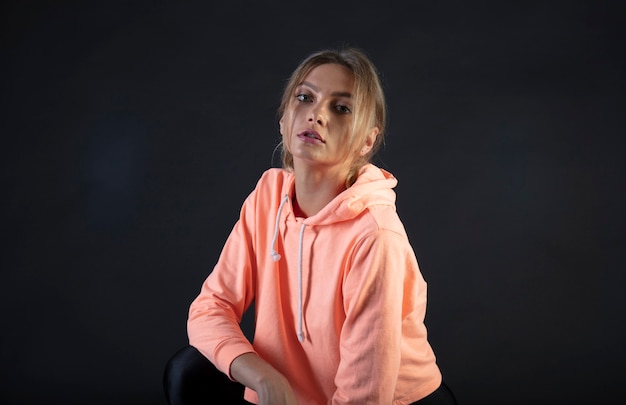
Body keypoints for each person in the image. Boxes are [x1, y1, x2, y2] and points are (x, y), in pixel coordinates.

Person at [164, 47, 458, 405]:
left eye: (341, 108)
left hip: (389, 402)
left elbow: (363, 397)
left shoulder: (375, 236)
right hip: (291, 393)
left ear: (367, 141)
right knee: (188, 371)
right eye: (305, 98)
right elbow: (210, 309)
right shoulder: (267, 197)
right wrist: (264, 378)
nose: (316, 114)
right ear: (284, 121)